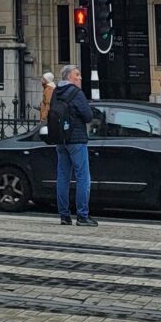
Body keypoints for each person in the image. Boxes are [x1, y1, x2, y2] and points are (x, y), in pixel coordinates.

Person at [49, 64, 98, 227]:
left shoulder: (56, 92)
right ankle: (82, 215)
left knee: (62, 176)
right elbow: (88, 116)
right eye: (77, 74)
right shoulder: (77, 93)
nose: (80, 77)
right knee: (83, 177)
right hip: (76, 139)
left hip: (60, 139)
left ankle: (64, 215)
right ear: (69, 77)